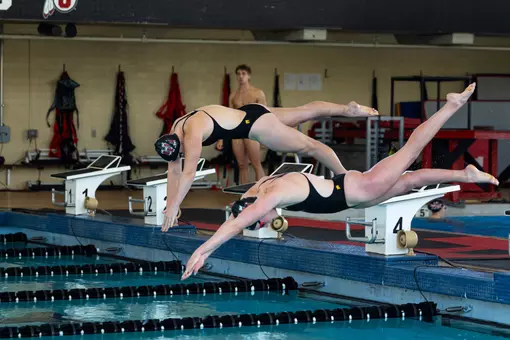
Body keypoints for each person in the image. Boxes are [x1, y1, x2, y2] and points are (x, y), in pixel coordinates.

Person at [181, 83, 500, 280]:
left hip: (360, 190)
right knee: (411, 179)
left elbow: (238, 223)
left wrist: (205, 251)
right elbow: (238, 217)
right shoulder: (262, 186)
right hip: (352, 189)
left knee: (412, 149)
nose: (266, 220)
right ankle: (464, 174)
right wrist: (206, 248)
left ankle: (452, 106)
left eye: (261, 218)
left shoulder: (269, 196)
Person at [155, 94, 379, 232]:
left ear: (180, 143)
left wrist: (175, 205)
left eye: (183, 150)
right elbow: (174, 172)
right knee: (303, 112)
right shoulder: (177, 126)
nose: (184, 153)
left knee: (312, 146)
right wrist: (169, 205)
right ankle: (345, 109)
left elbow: (188, 173)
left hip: (257, 126)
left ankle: (349, 179)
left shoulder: (192, 132)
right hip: (253, 112)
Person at [216, 65, 267, 184]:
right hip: (238, 130)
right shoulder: (233, 96)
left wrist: (264, 137)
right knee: (241, 164)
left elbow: (265, 114)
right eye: (238, 74)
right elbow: (228, 117)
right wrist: (221, 138)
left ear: (249, 76)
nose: (240, 76)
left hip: (253, 130)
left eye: (243, 73)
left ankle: (262, 192)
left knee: (256, 163)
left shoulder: (257, 93)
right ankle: (244, 194)